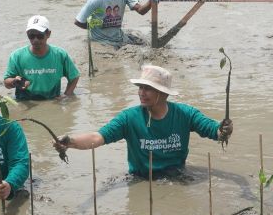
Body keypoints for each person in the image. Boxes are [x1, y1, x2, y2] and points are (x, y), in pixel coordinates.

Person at [54, 65, 233, 176]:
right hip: (141, 178)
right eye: (140, 87)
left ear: (163, 93)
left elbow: (214, 131)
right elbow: (98, 137)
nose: (141, 92)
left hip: (177, 174)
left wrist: (224, 130)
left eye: (148, 88)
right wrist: (70, 142)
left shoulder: (185, 114)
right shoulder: (129, 118)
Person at [3, 15, 80, 100]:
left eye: (39, 36)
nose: (35, 40)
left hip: (52, 100)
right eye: (31, 36)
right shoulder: (16, 56)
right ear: (27, 35)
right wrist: (14, 82)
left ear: (48, 34)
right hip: (26, 101)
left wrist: (67, 95)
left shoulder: (60, 55)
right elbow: (6, 83)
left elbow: (74, 76)